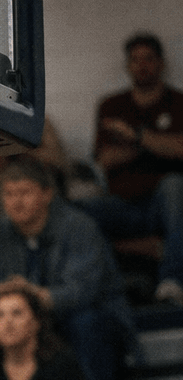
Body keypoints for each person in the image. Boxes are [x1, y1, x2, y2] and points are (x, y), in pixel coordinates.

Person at [0, 156, 131, 380]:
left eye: (25, 193)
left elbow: (83, 291)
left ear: (47, 194)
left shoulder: (79, 227)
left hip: (87, 319)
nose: (16, 202)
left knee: (85, 324)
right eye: (8, 194)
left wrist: (35, 296)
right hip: (29, 321)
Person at [87, 33, 183, 304]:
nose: (142, 65)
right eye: (135, 60)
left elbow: (180, 149)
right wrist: (153, 144)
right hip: (122, 204)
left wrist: (134, 136)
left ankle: (172, 281)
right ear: (127, 65)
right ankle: (111, 283)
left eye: (148, 59)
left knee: (176, 185)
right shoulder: (112, 105)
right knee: (78, 210)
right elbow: (105, 159)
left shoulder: (178, 102)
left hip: (163, 203)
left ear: (161, 63)